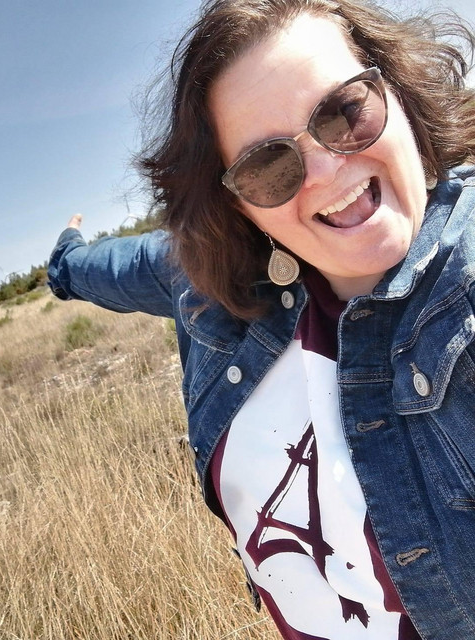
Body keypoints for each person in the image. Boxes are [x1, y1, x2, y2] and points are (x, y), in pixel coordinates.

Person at [48, 0, 475, 638]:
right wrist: (64, 259)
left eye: (344, 111)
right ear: (239, 208)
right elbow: (114, 267)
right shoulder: (212, 286)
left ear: (399, 94)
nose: (326, 171)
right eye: (268, 166)